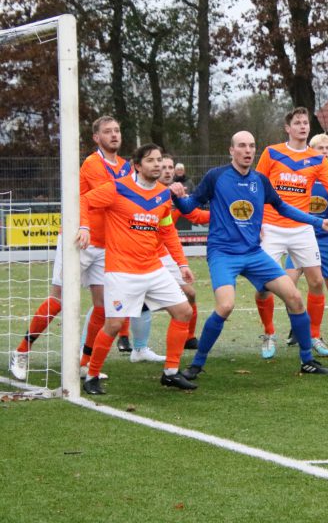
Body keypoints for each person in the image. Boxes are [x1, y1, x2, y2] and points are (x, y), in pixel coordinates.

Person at [170, 131, 328, 382]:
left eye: (251, 146)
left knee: (294, 297)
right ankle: (197, 364)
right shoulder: (216, 177)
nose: (248, 150)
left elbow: (283, 207)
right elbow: (190, 206)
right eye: (242, 146)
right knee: (226, 305)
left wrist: (318, 222)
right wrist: (176, 195)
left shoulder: (260, 180)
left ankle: (306, 360)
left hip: (253, 253)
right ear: (231, 150)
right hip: (223, 254)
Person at [9, 116, 134, 382]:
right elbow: (93, 199)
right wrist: (85, 227)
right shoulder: (92, 164)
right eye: (107, 132)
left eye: (117, 130)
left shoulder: (126, 167)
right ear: (96, 138)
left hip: (106, 245)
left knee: (103, 306)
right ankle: (21, 351)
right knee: (59, 298)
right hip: (79, 239)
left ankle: (84, 362)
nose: (114, 135)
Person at [78, 144, 197, 395]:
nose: (157, 164)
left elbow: (167, 232)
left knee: (184, 311)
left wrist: (182, 264)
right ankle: (91, 375)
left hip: (153, 268)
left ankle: (171, 373)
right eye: (151, 160)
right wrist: (85, 227)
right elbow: (84, 201)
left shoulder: (164, 195)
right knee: (113, 324)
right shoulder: (117, 187)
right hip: (121, 271)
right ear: (137, 165)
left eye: (159, 160)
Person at [252, 107, 328, 359]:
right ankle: (269, 334)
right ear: (287, 128)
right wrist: (255, 225)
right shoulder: (272, 153)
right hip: (271, 227)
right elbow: (255, 188)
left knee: (316, 282)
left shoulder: (317, 159)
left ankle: (314, 335)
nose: (302, 126)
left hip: (302, 229)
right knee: (263, 287)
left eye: (305, 123)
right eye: (297, 123)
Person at [284, 134, 328, 345]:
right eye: (320, 148)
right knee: (288, 285)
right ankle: (299, 329)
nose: (325, 151)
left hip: (326, 238)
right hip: (300, 236)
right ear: (311, 151)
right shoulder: (302, 174)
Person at [160, 153, 206, 351]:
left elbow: (195, 215)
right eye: (164, 167)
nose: (168, 171)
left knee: (190, 293)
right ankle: (126, 338)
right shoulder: (145, 193)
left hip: (167, 252)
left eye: (171, 167)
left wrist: (223, 216)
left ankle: (189, 337)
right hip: (142, 253)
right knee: (131, 302)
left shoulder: (178, 197)